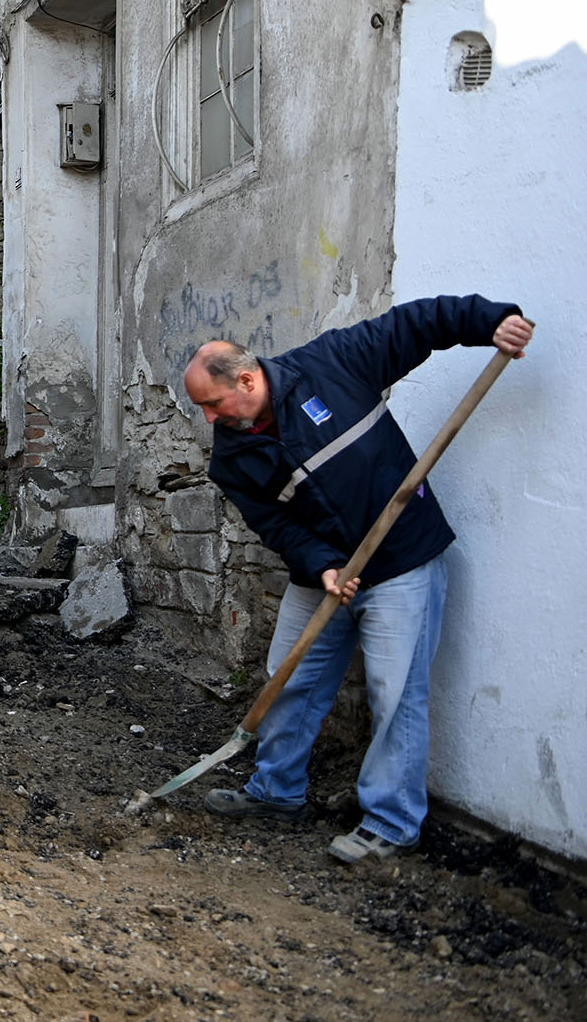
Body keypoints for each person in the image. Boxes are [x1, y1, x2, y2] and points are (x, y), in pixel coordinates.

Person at [181, 295, 533, 864]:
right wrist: (321, 564)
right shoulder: (232, 458)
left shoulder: (332, 364)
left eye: (214, 404)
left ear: (246, 380)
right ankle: (276, 792)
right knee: (288, 678)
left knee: (394, 693)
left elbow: (415, 325)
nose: (210, 419)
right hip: (324, 573)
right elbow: (274, 524)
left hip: (401, 561)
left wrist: (490, 321)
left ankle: (390, 824)